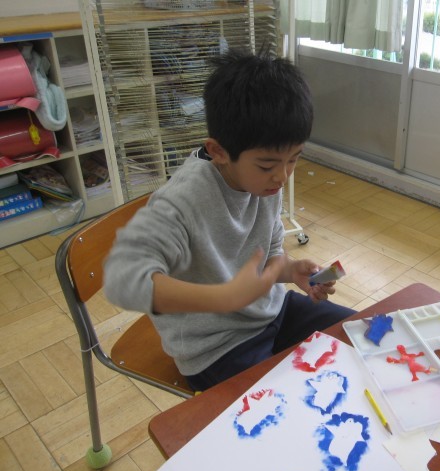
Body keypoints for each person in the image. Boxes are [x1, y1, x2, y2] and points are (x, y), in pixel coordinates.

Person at [103, 48, 355, 392]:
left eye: (294, 159)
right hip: (217, 347)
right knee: (290, 402)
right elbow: (122, 281)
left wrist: (288, 270)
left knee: (358, 334)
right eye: (267, 165)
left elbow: (268, 253)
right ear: (219, 152)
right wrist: (223, 298)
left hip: (274, 312)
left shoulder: (265, 182)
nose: (282, 176)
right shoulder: (181, 202)